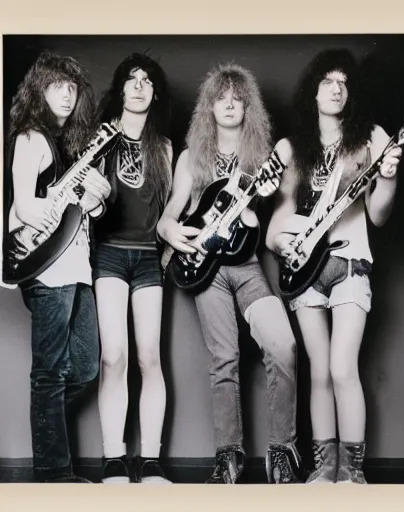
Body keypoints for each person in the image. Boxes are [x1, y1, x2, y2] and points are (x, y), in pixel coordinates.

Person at [157, 63, 302, 484]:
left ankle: (281, 451)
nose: (230, 104)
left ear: (248, 107)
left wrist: (261, 206)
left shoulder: (263, 159)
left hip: (247, 264)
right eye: (222, 97)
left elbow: (267, 219)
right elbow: (170, 213)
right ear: (210, 105)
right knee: (224, 359)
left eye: (238, 98)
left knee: (283, 344)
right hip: (207, 270)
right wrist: (169, 230)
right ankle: (228, 459)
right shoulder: (191, 157)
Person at [266, 49, 402, 484]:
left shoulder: (371, 139)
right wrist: (280, 242)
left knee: (344, 367)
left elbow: (378, 215)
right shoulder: (295, 148)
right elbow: (280, 217)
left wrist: (390, 177)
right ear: (313, 91)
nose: (336, 88)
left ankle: (353, 472)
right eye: (328, 81)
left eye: (343, 82)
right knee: (319, 370)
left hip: (349, 262)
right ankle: (324, 470)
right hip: (305, 268)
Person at [3, 51, 111, 483]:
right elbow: (25, 205)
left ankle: (45, 427)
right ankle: (53, 473)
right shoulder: (31, 137)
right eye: (56, 86)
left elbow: (90, 213)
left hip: (77, 262)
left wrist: (98, 196)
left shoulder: (75, 146)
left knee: (84, 367)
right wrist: (63, 200)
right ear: (39, 90)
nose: (66, 95)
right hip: (44, 263)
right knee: (48, 371)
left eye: (72, 88)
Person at [92, 53, 173, 484]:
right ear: (121, 88)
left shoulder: (163, 147)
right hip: (107, 253)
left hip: (146, 258)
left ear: (154, 92)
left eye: (146, 80)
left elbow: (171, 213)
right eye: (131, 78)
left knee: (148, 358)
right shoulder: (101, 139)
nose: (139, 85)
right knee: (114, 357)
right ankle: (113, 459)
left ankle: (151, 460)